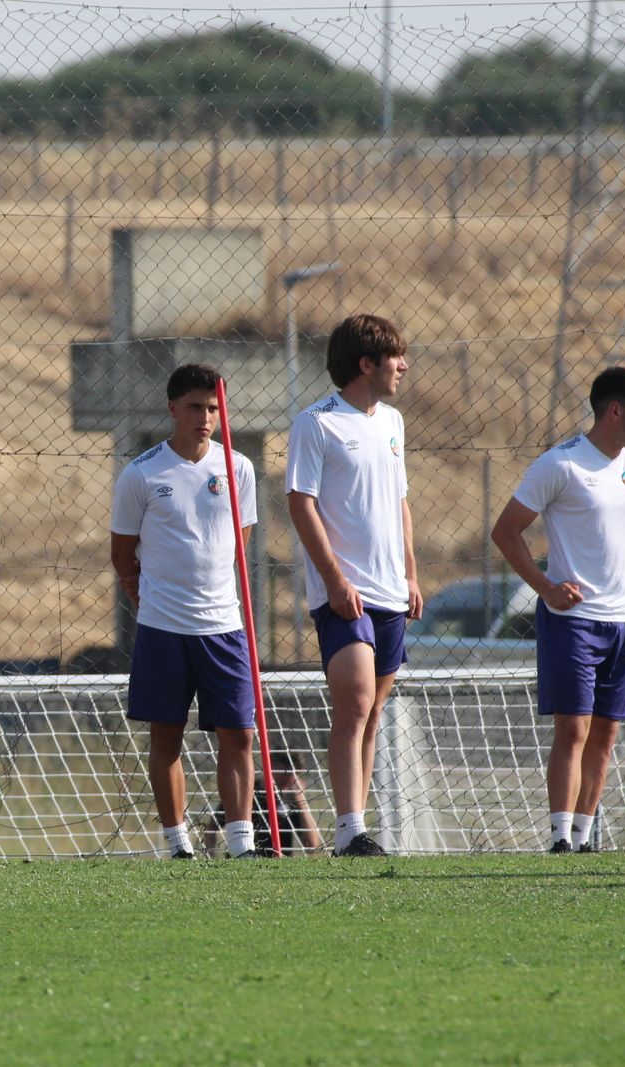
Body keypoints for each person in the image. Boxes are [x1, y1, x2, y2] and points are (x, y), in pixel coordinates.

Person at [491, 367, 625, 854]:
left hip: (622, 623)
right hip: (573, 622)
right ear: (615, 411)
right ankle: (559, 837)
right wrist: (545, 587)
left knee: (606, 734)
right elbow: (506, 531)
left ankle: (584, 838)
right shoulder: (560, 464)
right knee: (574, 728)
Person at [285, 314, 424, 857]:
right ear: (367, 364)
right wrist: (334, 580)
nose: (404, 367)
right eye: (396, 358)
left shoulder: (391, 422)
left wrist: (411, 572)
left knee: (372, 712)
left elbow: (399, 501)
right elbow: (301, 503)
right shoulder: (316, 423)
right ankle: (349, 829)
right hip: (345, 593)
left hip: (391, 590)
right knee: (355, 700)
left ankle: (355, 829)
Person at [110, 363, 259, 860]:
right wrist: (145, 596)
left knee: (238, 732)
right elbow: (122, 553)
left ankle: (241, 844)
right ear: (173, 408)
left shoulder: (238, 467)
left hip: (224, 626)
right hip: (163, 628)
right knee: (166, 734)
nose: (205, 417)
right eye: (195, 406)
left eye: (213, 407)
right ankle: (177, 844)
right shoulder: (142, 473)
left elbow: (241, 540)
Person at [205, 750, 324, 857]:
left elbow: (312, 847)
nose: (290, 779)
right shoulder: (248, 793)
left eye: (294, 774)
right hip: (242, 857)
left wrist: (301, 802)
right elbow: (212, 826)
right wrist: (212, 855)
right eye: (286, 773)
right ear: (272, 766)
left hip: (277, 865)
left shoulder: (291, 800)